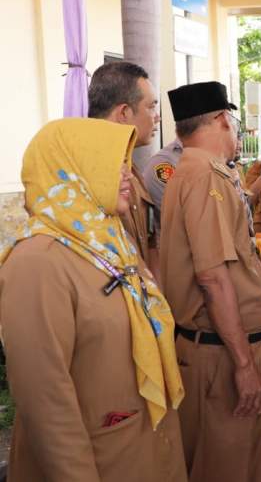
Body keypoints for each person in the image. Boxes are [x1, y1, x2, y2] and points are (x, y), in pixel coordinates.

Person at [0, 118, 186, 481]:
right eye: (111, 162)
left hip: (143, 450)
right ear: (74, 168)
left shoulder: (107, 241)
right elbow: (45, 403)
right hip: (98, 462)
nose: (126, 175)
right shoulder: (38, 262)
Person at [159, 82, 261, 482]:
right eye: (233, 121)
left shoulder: (189, 170)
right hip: (221, 352)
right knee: (226, 466)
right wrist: (243, 364)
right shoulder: (206, 176)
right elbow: (212, 277)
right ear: (222, 119)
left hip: (219, 345)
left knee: (242, 459)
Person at [88, 61, 161, 280]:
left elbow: (149, 241)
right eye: (151, 107)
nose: (157, 116)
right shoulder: (88, 171)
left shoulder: (131, 169)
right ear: (124, 112)